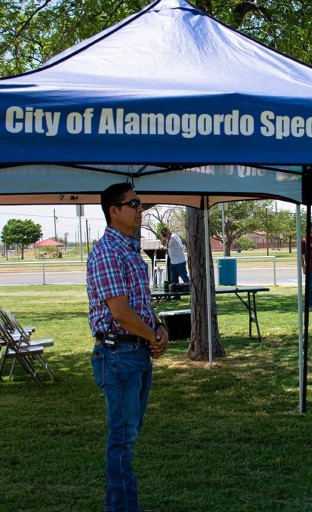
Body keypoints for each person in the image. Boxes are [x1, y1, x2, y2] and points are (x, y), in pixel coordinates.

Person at [87, 182, 168, 512]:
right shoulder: (108, 252)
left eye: (140, 203)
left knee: (127, 435)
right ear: (114, 211)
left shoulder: (129, 250)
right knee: (122, 438)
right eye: (133, 203)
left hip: (134, 353)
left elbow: (140, 306)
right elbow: (119, 311)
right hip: (118, 355)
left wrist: (158, 327)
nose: (140, 209)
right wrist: (152, 337)